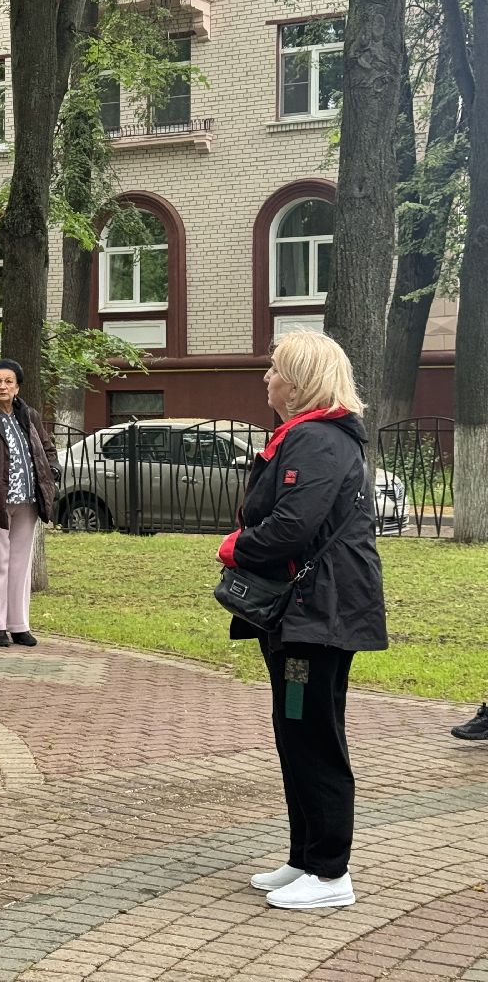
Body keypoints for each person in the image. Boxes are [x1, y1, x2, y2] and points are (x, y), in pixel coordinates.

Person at [217, 331, 386, 910]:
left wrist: (236, 548)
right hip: (305, 613)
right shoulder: (311, 436)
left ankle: (332, 871)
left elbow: (294, 525)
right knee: (295, 730)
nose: (266, 377)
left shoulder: (316, 439)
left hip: (319, 612)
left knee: (315, 736)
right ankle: (305, 858)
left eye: (275, 368)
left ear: (302, 380)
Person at [0, 359, 59, 648]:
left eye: (8, 382)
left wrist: (51, 471)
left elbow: (46, 446)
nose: (2, 386)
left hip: (28, 500)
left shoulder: (28, 415)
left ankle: (18, 625)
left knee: (20, 564)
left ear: (17, 387)